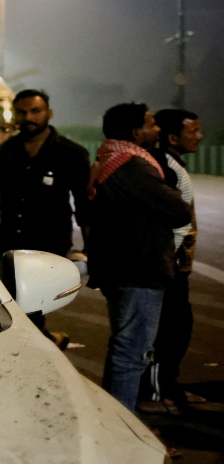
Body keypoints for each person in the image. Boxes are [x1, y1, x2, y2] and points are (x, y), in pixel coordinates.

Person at [88, 103, 192, 412]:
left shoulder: (109, 158)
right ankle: (122, 429)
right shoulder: (131, 166)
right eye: (151, 124)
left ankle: (117, 422)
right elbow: (179, 211)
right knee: (131, 353)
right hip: (139, 269)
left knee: (125, 350)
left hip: (121, 266)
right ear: (136, 132)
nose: (157, 128)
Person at [0, 89, 91, 346]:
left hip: (51, 240)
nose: (29, 117)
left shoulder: (71, 152)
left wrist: (92, 247)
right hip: (11, 238)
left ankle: (36, 344)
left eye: (36, 111)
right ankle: (38, 342)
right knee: (11, 301)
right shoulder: (7, 148)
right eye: (23, 112)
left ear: (49, 113)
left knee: (35, 302)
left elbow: (83, 204)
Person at [138, 109, 203, 412]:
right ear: (173, 136)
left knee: (179, 326)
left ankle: (168, 387)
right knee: (168, 331)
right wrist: (171, 260)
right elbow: (174, 219)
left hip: (175, 264)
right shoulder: (165, 166)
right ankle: (157, 394)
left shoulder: (173, 163)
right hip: (169, 265)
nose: (200, 136)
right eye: (194, 131)